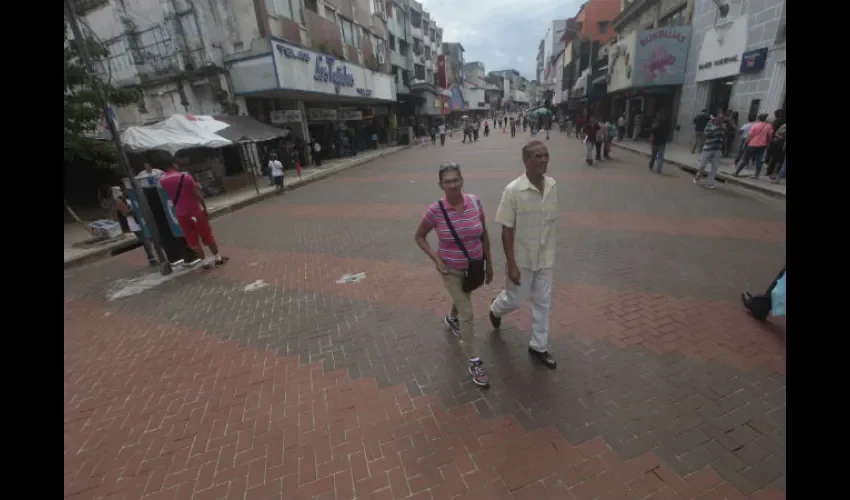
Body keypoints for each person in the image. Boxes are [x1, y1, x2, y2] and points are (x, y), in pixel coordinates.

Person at [415, 162, 494, 387]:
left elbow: (484, 234)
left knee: (463, 298)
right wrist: (436, 259)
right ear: (441, 185)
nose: (452, 185)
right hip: (450, 270)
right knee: (467, 312)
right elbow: (419, 236)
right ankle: (474, 361)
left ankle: (451, 317)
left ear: (462, 180)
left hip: (475, 267)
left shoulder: (475, 202)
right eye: (447, 181)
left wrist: (489, 264)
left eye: (455, 180)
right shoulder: (435, 211)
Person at [489, 141, 557, 369]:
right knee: (515, 300)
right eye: (538, 156)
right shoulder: (513, 190)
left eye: (546, 155)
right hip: (522, 259)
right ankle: (496, 308)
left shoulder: (552, 186)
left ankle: (539, 347)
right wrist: (511, 264)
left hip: (545, 258)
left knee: (543, 303)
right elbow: (506, 230)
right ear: (526, 161)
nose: (544, 160)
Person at [159, 161, 229, 270]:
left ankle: (205, 263)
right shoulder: (185, 176)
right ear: (173, 164)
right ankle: (218, 258)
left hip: (181, 214)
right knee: (207, 235)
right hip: (195, 212)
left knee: (192, 240)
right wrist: (204, 208)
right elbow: (197, 194)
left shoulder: (162, 181)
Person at [114, 185, 158, 265]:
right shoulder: (120, 200)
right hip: (135, 224)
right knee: (146, 241)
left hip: (144, 221)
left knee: (151, 238)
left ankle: (154, 256)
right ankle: (151, 258)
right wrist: (137, 210)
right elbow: (125, 213)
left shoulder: (135, 195)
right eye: (127, 189)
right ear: (123, 189)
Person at [734, 113, 772, 179]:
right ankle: (756, 175)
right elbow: (770, 136)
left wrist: (745, 144)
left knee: (745, 159)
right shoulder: (769, 126)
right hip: (762, 145)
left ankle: (737, 172)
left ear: (758, 118)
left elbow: (749, 136)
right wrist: (768, 143)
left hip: (752, 144)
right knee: (758, 159)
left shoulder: (755, 125)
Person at [694, 113, 727, 189]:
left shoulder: (724, 127)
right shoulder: (710, 124)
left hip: (718, 149)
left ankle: (710, 183)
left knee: (714, 167)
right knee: (702, 165)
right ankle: (697, 177)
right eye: (720, 118)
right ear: (717, 118)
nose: (721, 120)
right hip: (708, 148)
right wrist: (715, 129)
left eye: (723, 119)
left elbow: (724, 137)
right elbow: (705, 135)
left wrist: (725, 148)